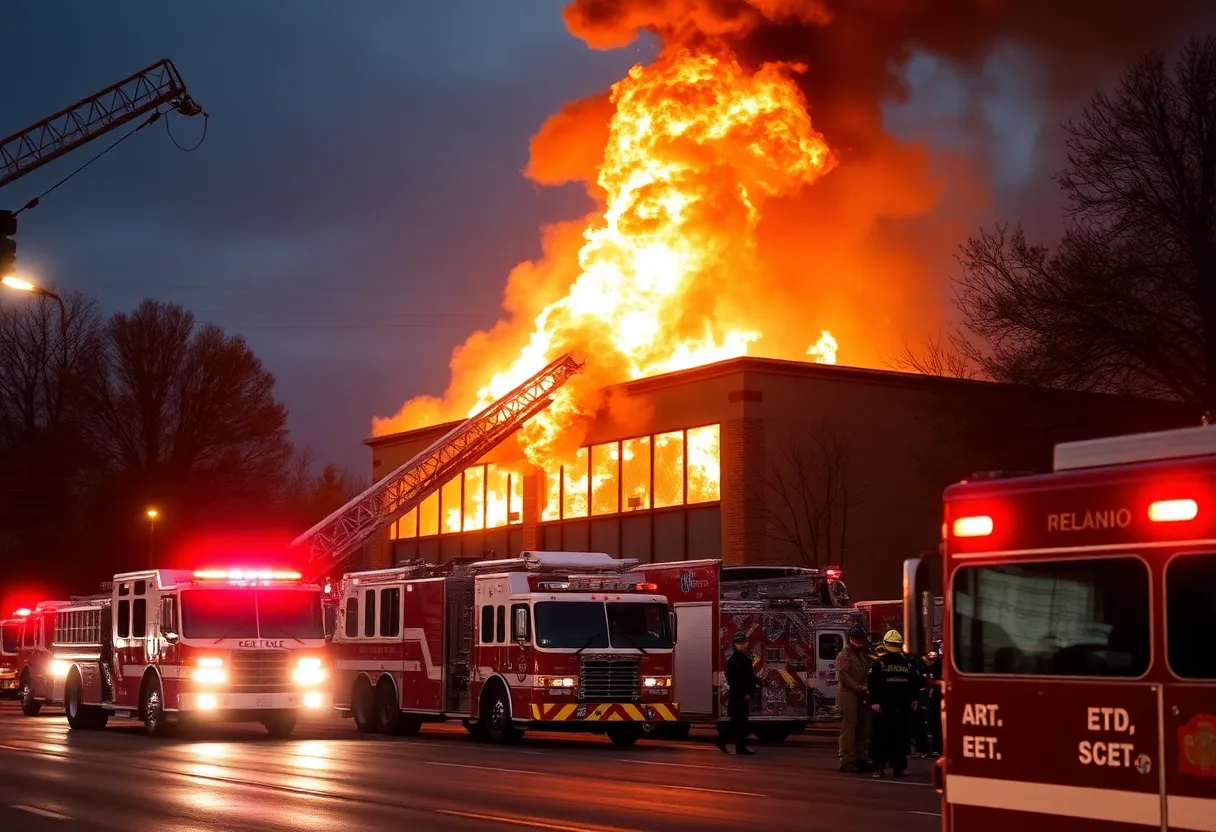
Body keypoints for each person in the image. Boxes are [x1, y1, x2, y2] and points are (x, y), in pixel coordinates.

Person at [867, 629, 923, 778]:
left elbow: (914, 683)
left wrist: (914, 699)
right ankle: (879, 767)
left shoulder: (904, 664)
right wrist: (874, 702)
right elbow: (872, 685)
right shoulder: (879, 665)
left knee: (900, 738)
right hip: (886, 707)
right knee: (882, 737)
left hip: (900, 706)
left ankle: (899, 767)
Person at [835, 624, 872, 773]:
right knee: (849, 727)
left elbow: (864, 674)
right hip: (847, 693)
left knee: (862, 728)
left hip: (859, 694)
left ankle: (860, 758)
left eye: (863, 637)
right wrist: (860, 688)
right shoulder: (844, 655)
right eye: (859, 637)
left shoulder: (861, 654)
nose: (862, 640)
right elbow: (844, 677)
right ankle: (846, 760)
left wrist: (865, 688)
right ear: (852, 638)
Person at [716, 631, 757, 755]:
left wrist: (759, 682)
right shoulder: (734, 661)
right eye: (740, 644)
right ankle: (722, 740)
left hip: (743, 694)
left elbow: (749, 677)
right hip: (738, 696)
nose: (744, 645)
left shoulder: (745, 659)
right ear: (735, 645)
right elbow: (735, 680)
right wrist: (745, 693)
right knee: (738, 722)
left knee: (739, 723)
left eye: (745, 643)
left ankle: (737, 746)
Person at [927, 645, 943, 757]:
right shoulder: (939, 663)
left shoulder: (939, 663)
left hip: (939, 696)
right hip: (938, 695)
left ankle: (937, 747)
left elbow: (929, 677)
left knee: (936, 722)